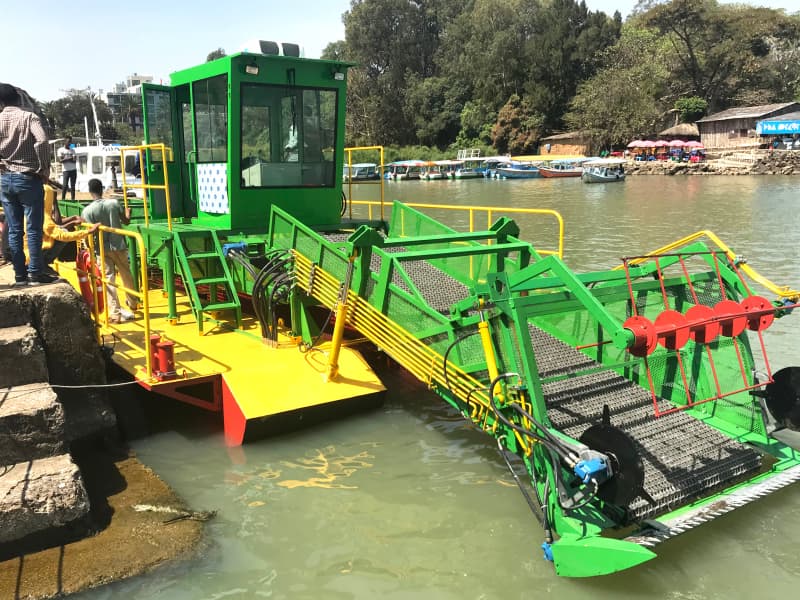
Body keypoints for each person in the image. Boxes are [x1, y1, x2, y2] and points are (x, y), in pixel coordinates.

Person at [0, 82, 56, 286]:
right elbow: (41, 141)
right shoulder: (29, 117)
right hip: (28, 178)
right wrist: (43, 168)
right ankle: (35, 273)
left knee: (14, 230)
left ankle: (20, 275)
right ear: (18, 98)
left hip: (5, 180)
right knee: (33, 229)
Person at [81, 178, 137, 322]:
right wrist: (128, 212)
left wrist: (89, 249)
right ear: (102, 189)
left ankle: (115, 313)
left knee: (108, 278)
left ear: (90, 191)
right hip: (119, 244)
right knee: (126, 273)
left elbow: (89, 232)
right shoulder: (113, 203)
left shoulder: (87, 211)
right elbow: (126, 221)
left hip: (102, 248)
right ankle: (133, 302)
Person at [31, 184, 100, 276]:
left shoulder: (32, 210)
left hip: (27, 252)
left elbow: (54, 223)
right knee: (64, 233)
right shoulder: (42, 215)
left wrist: (73, 219)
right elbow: (59, 230)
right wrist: (88, 231)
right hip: (31, 256)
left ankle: (41, 264)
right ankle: (42, 264)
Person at [58, 136, 77, 201]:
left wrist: (65, 158)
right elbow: (60, 161)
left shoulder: (73, 150)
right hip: (66, 170)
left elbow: (74, 160)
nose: (69, 143)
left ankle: (73, 199)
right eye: (68, 141)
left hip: (73, 170)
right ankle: (63, 199)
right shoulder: (60, 150)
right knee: (65, 185)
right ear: (65, 141)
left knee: (73, 185)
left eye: (70, 142)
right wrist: (70, 158)